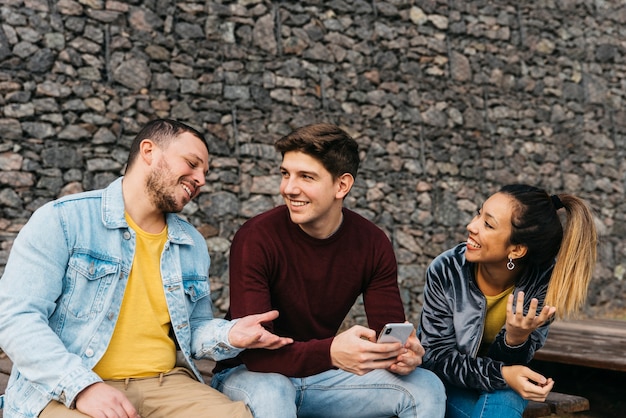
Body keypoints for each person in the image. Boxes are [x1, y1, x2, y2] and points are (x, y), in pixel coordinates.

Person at [0, 119, 293, 418]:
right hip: (66, 384)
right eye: (192, 163)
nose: (201, 179)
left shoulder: (191, 242)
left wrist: (230, 334)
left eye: (205, 172)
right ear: (149, 151)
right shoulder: (63, 220)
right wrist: (82, 387)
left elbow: (191, 330)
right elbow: (16, 318)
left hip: (165, 384)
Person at [210, 123, 446, 418]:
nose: (288, 188)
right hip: (248, 374)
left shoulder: (372, 243)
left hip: (320, 376)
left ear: (342, 185)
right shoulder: (256, 237)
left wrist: (401, 355)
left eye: (306, 177)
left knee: (425, 387)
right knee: (275, 391)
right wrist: (331, 352)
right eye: (286, 174)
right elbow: (257, 354)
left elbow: (388, 329)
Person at [418, 184, 598, 418]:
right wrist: (503, 374)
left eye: (488, 224)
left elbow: (516, 367)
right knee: (507, 392)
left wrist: (515, 340)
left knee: (508, 395)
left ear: (517, 249)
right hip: (443, 383)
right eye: (478, 213)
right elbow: (435, 357)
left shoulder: (544, 283)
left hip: (499, 388)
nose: (471, 226)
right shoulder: (447, 269)